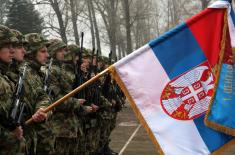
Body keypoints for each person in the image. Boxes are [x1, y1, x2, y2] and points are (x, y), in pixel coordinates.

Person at [0, 25, 25, 155]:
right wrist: (9, 136)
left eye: (13, 46)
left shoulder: (4, 76)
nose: (12, 51)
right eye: (7, 46)